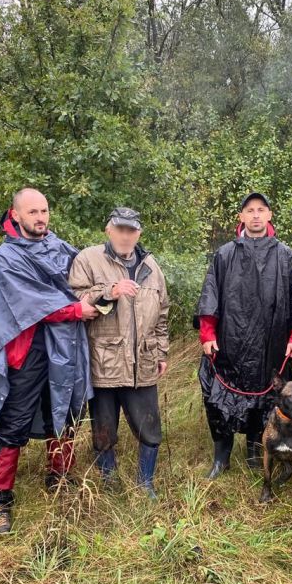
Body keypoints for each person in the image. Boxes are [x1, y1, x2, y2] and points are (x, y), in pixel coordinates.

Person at [0, 188, 98, 533]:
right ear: (15, 215)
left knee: (65, 413)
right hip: (27, 350)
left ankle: (59, 477)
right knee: (13, 422)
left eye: (44, 210)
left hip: (64, 347)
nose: (40, 217)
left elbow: (84, 277)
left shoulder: (59, 247)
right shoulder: (6, 258)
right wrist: (78, 309)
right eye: (32, 212)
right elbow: (33, 303)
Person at [194, 192, 292, 479]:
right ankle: (221, 458)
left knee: (265, 400)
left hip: (272, 345)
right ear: (241, 217)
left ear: (269, 215)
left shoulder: (285, 255)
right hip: (230, 344)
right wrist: (207, 333)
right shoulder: (225, 254)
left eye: (261, 210)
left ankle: (255, 452)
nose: (255, 215)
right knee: (219, 398)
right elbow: (210, 294)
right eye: (249, 210)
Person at [68, 208, 169, 498]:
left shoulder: (151, 265)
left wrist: (161, 351)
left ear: (139, 234)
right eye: (120, 229)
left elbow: (162, 312)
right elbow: (73, 299)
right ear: (108, 230)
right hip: (104, 364)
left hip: (143, 362)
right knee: (103, 429)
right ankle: (109, 479)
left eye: (132, 230)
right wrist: (109, 290)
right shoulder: (88, 259)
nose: (126, 236)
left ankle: (145, 482)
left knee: (149, 428)